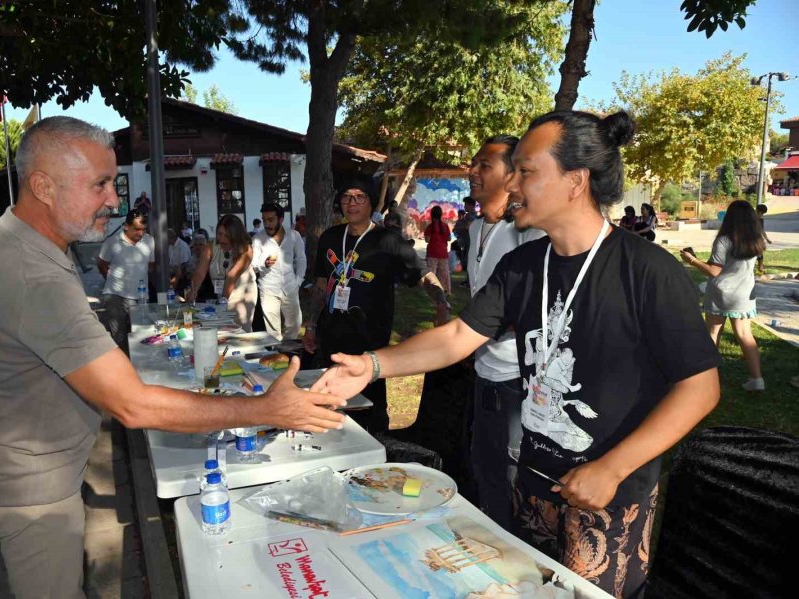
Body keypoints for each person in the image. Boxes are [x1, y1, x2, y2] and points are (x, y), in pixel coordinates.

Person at [312, 111, 721, 598]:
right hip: (533, 480)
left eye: (526, 171)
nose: (513, 182)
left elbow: (701, 387)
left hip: (609, 494)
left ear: (574, 181)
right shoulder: (524, 264)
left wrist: (612, 468)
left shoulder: (647, 271)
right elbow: (458, 337)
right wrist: (372, 364)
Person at [0, 117, 345, 599]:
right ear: (43, 187)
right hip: (28, 487)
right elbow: (133, 406)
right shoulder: (32, 271)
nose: (115, 201)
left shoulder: (2, 239)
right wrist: (266, 409)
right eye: (100, 185)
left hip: (9, 467)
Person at [302, 177, 451, 433]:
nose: (352, 203)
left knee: (370, 412)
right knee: (329, 404)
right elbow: (321, 284)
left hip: (369, 340)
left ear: (371, 203)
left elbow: (422, 273)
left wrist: (441, 302)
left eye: (360, 197)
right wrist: (311, 325)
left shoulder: (387, 241)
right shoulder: (330, 237)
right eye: (347, 196)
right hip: (331, 337)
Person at [465, 134, 545, 529]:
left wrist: (487, 325)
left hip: (518, 378)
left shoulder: (528, 231)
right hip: (483, 372)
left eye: (484, 165)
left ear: (513, 174)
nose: (472, 172)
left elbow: (538, 303)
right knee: (485, 467)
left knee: (515, 477)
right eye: (474, 164)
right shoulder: (475, 227)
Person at [681, 200, 766, 391]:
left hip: (721, 294)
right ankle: (757, 379)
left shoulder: (724, 240)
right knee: (745, 335)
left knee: (712, 333)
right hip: (743, 295)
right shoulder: (756, 239)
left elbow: (714, 271)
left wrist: (692, 260)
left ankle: (708, 378)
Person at [96, 208, 154, 356]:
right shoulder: (112, 242)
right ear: (126, 226)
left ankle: (139, 367)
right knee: (119, 336)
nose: (140, 233)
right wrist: (111, 279)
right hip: (115, 295)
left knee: (141, 334)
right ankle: (123, 369)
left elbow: (151, 265)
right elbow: (102, 263)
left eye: (143, 229)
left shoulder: (149, 240)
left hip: (140, 296)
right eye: (136, 229)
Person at [252, 203, 306, 341]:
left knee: (295, 325)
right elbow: (253, 264)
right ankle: (275, 356)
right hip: (268, 288)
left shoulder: (294, 236)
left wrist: (298, 282)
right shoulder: (258, 239)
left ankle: (287, 352)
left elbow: (301, 259)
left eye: (271, 220)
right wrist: (264, 264)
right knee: (273, 331)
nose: (267, 224)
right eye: (264, 220)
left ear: (281, 219)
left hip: (290, 286)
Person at [210, 214, 257, 331]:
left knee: (239, 331)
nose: (222, 239)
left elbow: (232, 275)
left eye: (227, 236)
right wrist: (192, 291)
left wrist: (222, 302)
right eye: (220, 234)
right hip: (223, 297)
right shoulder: (213, 246)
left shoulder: (246, 249)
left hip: (242, 296)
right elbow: (199, 272)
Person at [424, 205, 452, 293]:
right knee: (444, 273)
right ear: (440, 215)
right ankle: (445, 289)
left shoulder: (430, 226)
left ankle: (430, 289)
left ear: (432, 214)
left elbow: (427, 240)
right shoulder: (445, 226)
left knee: (431, 272)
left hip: (432, 252)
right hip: (443, 252)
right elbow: (449, 239)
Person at [185, 232, 215, 302]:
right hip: (194, 291)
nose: (198, 247)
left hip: (209, 293)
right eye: (196, 245)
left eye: (201, 245)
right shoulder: (191, 259)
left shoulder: (211, 258)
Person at [453, 196, 477, 270]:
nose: (464, 206)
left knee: (468, 260)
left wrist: (458, 228)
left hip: (469, 241)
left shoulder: (471, 216)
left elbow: (468, 227)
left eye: (466, 204)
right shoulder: (469, 215)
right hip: (466, 241)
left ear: (471, 205)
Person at [167, 227, 190, 295]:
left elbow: (184, 265)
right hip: (172, 275)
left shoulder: (183, 246)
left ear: (171, 238)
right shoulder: (170, 246)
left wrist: (175, 279)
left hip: (181, 277)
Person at [755, 203, 773, 275]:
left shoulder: (759, 220)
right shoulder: (755, 219)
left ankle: (760, 270)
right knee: (757, 255)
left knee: (759, 255)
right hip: (755, 240)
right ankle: (759, 270)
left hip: (757, 240)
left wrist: (767, 239)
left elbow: (761, 231)